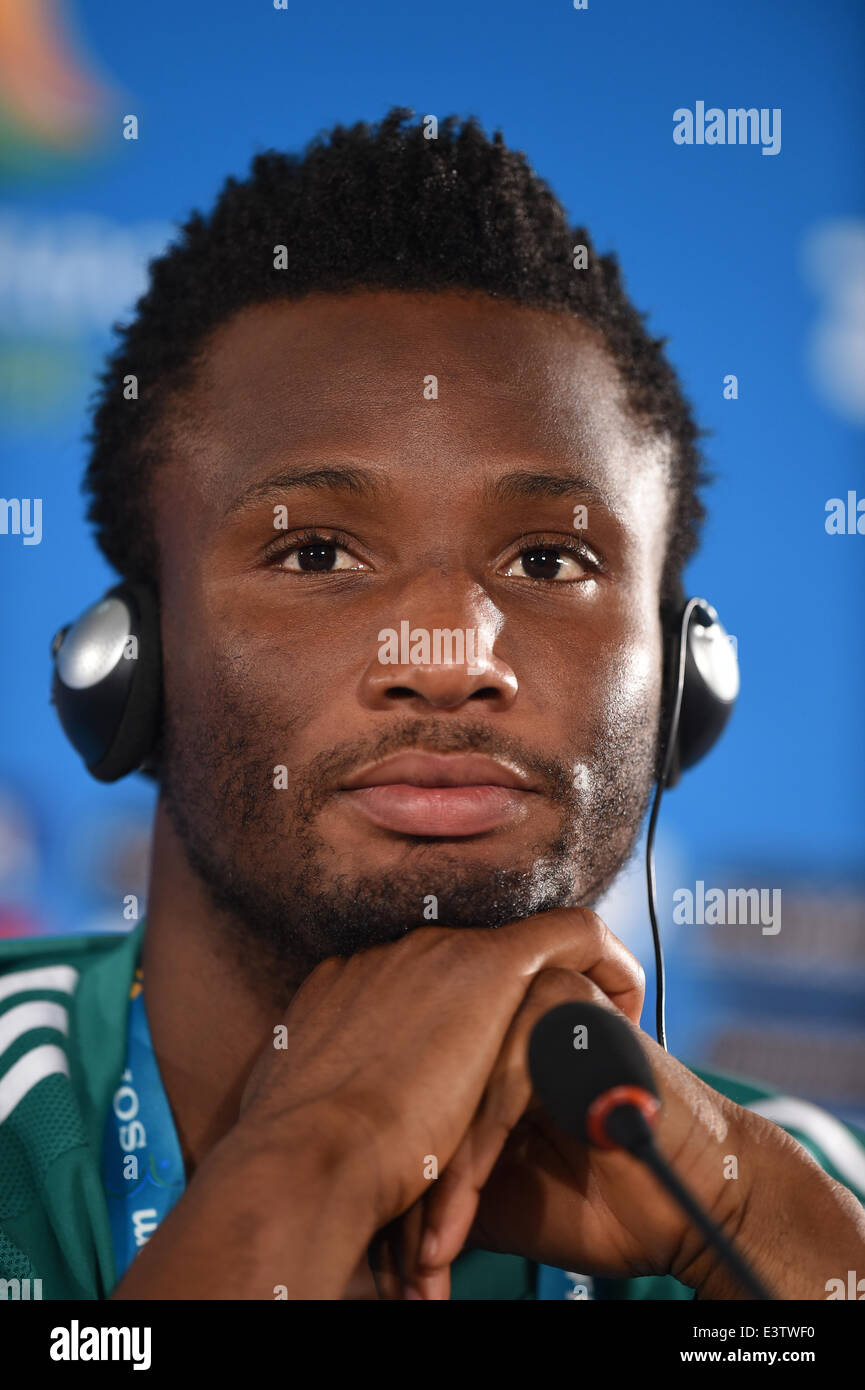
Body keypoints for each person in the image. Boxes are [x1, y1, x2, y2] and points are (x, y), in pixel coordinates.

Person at [2, 109, 863, 1302]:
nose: (452, 654)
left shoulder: (794, 1204)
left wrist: (746, 1211)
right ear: (128, 665)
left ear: (679, 683)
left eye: (549, 563)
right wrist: (314, 1157)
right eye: (315, 555)